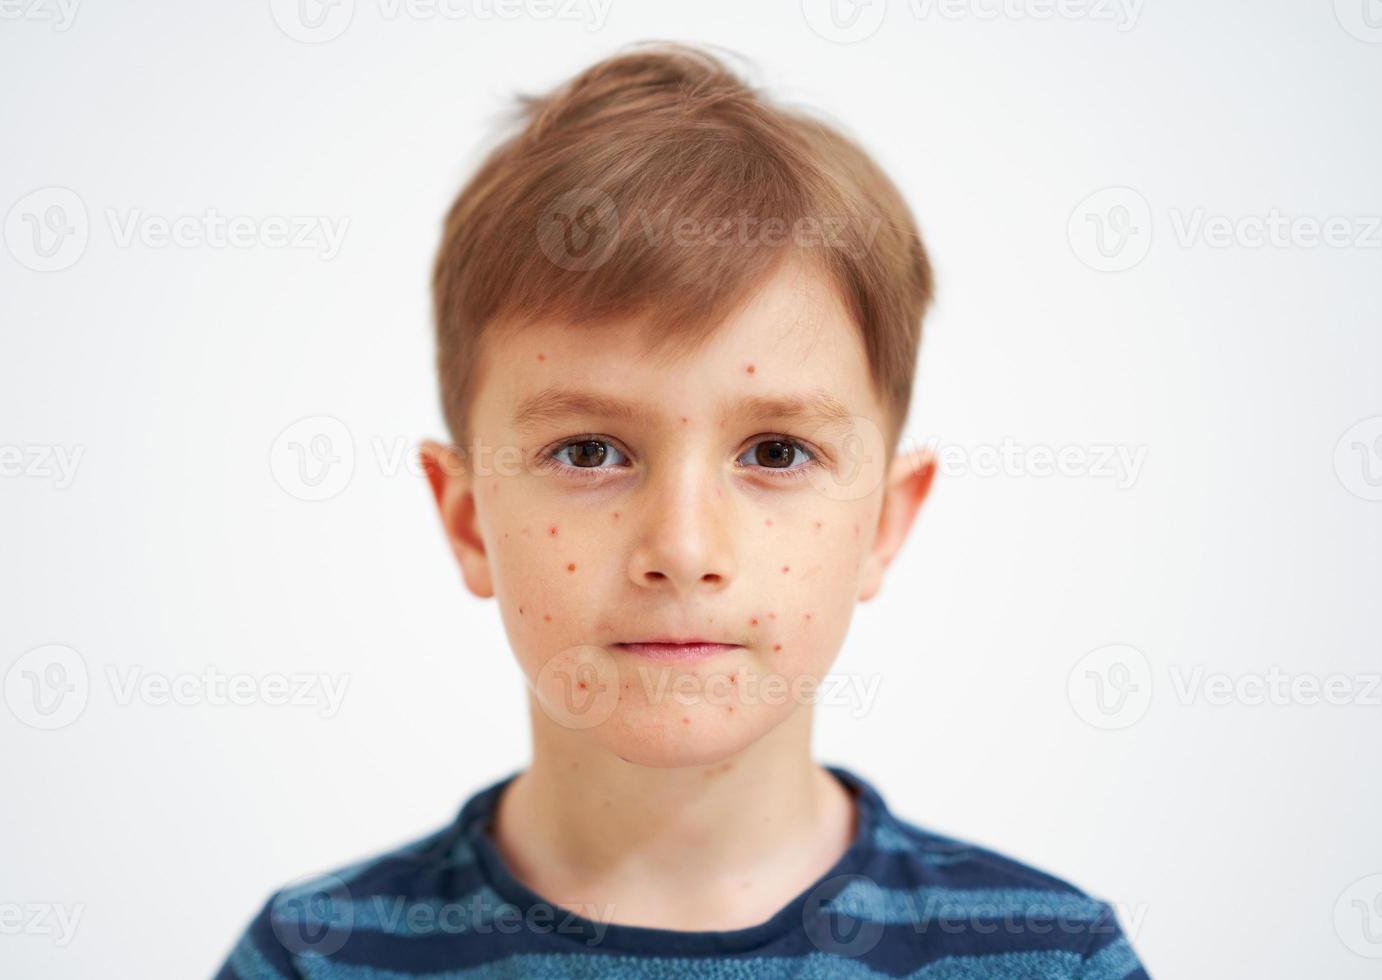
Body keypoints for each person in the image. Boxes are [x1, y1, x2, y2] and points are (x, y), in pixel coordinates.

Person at [216, 42, 1150, 979]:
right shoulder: (312, 959)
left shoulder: (1047, 959)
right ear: (467, 521)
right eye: (588, 452)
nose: (685, 548)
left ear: (884, 522)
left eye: (776, 453)